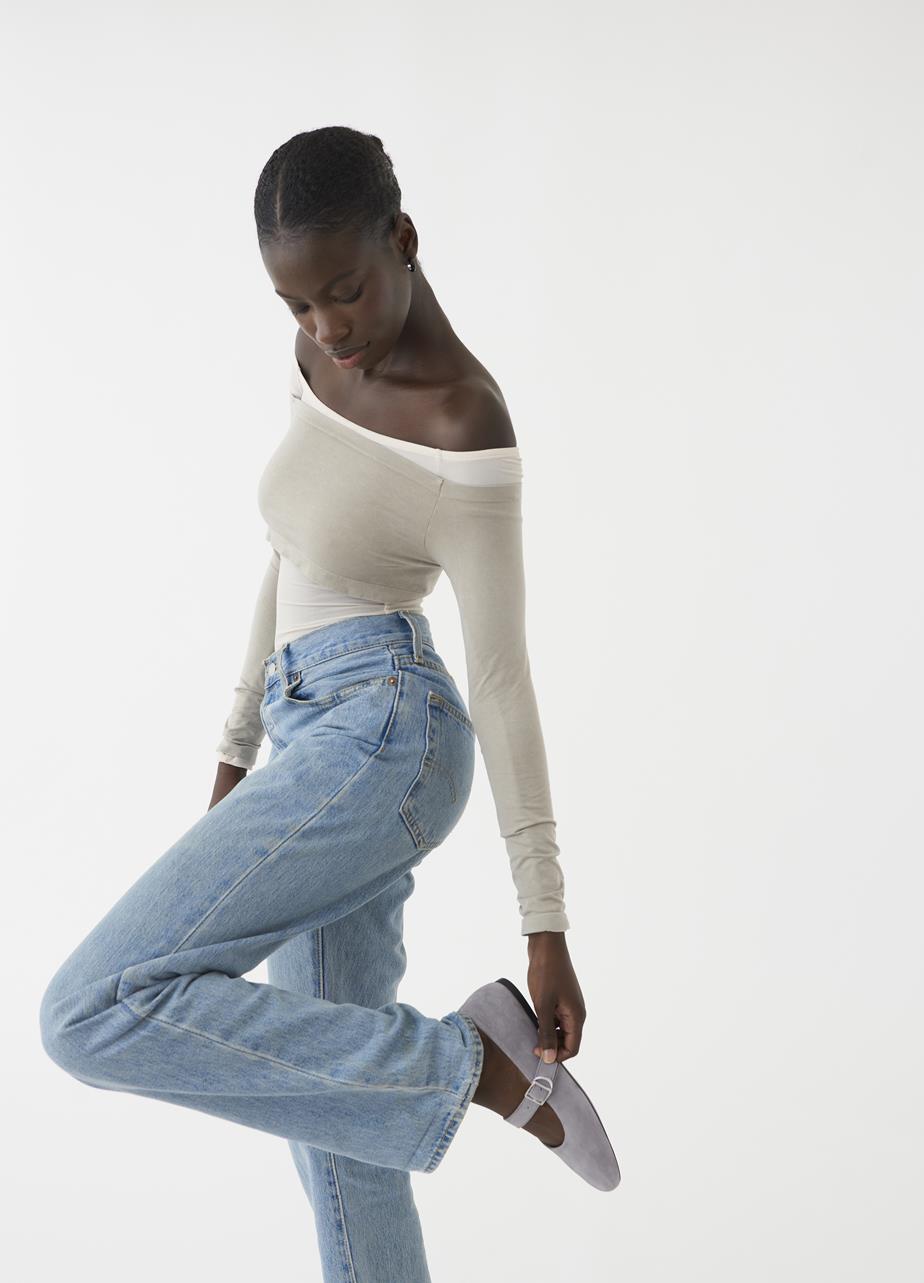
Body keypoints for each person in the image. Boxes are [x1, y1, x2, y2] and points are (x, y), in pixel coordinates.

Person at [39, 125, 589, 1281]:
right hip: (311, 736)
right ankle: (448, 1071)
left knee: (88, 1011)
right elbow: (291, 545)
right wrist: (237, 741)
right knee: (338, 1136)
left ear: (404, 237)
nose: (326, 329)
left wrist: (546, 923)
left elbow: (501, 675)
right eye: (297, 307)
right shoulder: (322, 363)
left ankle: (470, 1068)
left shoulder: (463, 423)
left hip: (387, 734)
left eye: (343, 291)